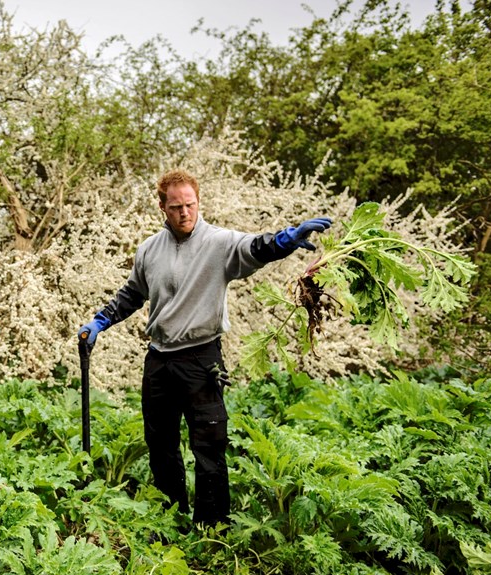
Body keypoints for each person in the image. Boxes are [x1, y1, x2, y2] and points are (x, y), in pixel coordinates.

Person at [78, 168, 331, 526]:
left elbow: (256, 247)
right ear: (162, 207)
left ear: (199, 202)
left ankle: (212, 527)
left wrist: (287, 239)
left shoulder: (219, 243)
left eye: (190, 205)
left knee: (209, 448)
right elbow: (133, 293)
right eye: (176, 207)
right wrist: (100, 321)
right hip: (159, 361)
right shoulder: (149, 250)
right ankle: (171, 518)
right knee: (161, 446)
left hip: (201, 357)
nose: (185, 213)